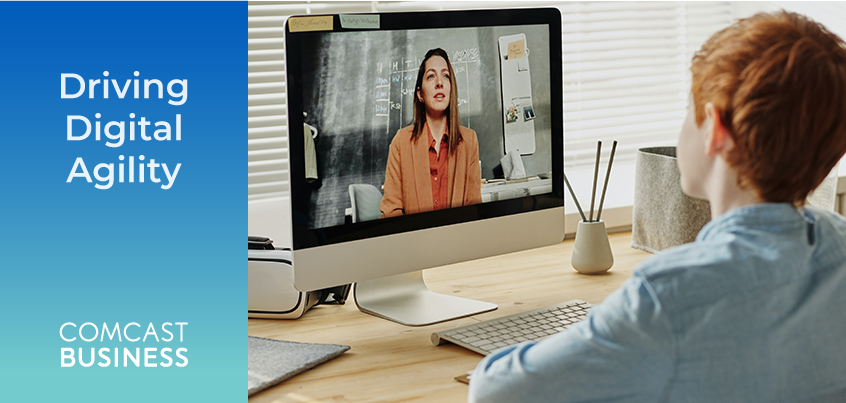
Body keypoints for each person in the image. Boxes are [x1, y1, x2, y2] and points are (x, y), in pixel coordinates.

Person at [469, 11, 846, 403]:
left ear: (715, 130)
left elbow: (495, 390)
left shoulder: (668, 298)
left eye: (689, 109)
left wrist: (595, 334)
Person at [380, 48, 482, 218]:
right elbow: (392, 211)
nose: (439, 83)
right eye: (431, 76)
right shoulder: (401, 142)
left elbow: (474, 209)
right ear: (420, 94)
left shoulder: (469, 141)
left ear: (451, 89)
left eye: (446, 76)